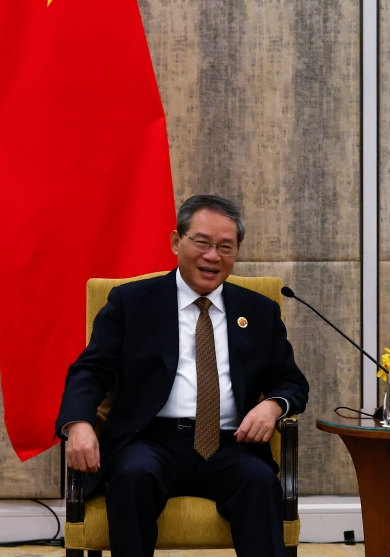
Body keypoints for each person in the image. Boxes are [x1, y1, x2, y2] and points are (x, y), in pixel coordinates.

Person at [56, 195, 309, 557]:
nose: (212, 256)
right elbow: (90, 370)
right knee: (132, 478)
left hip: (229, 444)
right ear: (177, 242)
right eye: (202, 242)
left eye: (225, 247)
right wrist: (77, 423)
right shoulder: (131, 302)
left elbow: (291, 380)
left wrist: (272, 406)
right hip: (151, 441)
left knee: (259, 483)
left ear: (237, 251)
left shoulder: (259, 310)